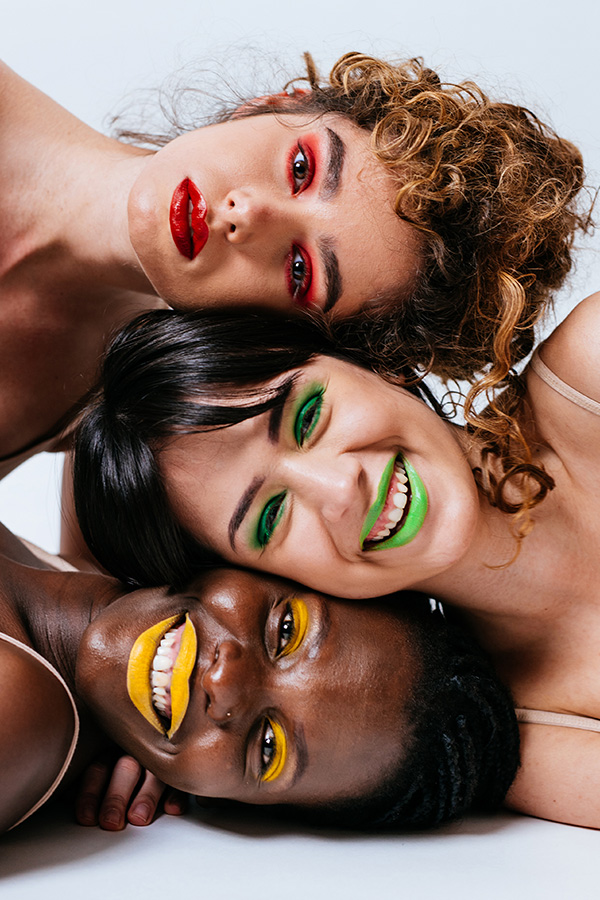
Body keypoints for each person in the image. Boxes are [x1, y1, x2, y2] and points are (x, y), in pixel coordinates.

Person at [73, 291, 600, 828]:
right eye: (270, 517)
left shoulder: (589, 371)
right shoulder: (525, 732)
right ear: (262, 577)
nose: (342, 490)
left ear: (370, 361)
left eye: (307, 418)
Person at [0, 52, 588, 481]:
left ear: (286, 329)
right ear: (274, 106)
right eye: (303, 168)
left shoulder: (107, 408)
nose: (249, 214)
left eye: (302, 270)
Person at [0, 520, 518, 834]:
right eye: (286, 630)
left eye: (268, 748)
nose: (225, 682)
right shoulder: (85, 548)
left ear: (233, 802)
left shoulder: (16, 711)